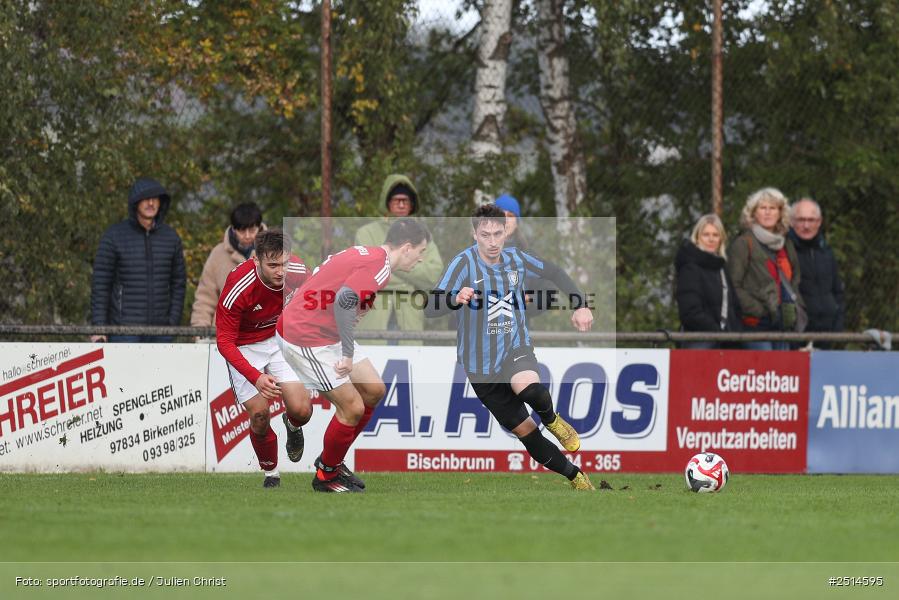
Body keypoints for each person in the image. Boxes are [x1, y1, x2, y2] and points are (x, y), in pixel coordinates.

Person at [425, 205, 596, 491]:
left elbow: (554, 272)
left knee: (528, 387)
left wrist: (580, 304)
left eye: (497, 233)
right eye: (485, 235)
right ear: (474, 234)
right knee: (526, 432)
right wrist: (455, 298)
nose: (492, 242)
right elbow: (431, 307)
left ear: (506, 231)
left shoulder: (516, 257)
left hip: (515, 346)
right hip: (480, 368)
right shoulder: (462, 263)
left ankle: (553, 420)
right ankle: (575, 476)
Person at [277, 218, 431, 493]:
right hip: (306, 335)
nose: (420, 260)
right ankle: (326, 476)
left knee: (373, 390)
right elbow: (344, 301)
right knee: (352, 408)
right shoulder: (379, 267)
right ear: (407, 248)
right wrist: (347, 354)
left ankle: (333, 463)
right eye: (421, 252)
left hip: (327, 331)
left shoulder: (370, 255)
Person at [215, 229, 312, 488]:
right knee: (259, 415)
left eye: (285, 263)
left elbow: (312, 304)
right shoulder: (239, 285)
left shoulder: (299, 272)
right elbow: (224, 341)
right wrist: (255, 377)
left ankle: (292, 427)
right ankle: (271, 474)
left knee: (302, 411)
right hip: (244, 346)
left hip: (278, 339)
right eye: (272, 265)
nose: (281, 271)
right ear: (256, 260)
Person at [90, 177, 186, 343]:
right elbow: (101, 284)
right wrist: (99, 327)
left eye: (155, 198)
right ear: (135, 203)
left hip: (162, 331)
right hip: (123, 331)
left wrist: (172, 322)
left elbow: (179, 282)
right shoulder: (114, 236)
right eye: (145, 199)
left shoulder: (171, 237)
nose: (151, 203)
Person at [354, 174, 443, 341]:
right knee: (370, 365)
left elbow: (433, 275)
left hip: (410, 315)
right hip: (373, 316)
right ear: (387, 202)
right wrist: (409, 272)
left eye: (406, 200)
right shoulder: (366, 233)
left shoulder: (423, 234)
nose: (401, 205)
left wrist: (390, 264)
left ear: (412, 204)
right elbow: (366, 272)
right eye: (396, 200)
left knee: (410, 365)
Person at [727, 188, 803, 350]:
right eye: (763, 208)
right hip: (755, 325)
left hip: (784, 324)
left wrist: (796, 309)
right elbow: (734, 285)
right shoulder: (743, 243)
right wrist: (760, 311)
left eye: (773, 208)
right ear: (753, 213)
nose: (768, 213)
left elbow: (794, 280)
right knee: (764, 371)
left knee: (782, 373)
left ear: (780, 213)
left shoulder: (787, 244)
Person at [191, 202, 264, 328]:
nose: (247, 236)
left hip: (265, 337)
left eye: (252, 230)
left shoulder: (275, 253)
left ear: (260, 228)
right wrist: (200, 331)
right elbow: (205, 297)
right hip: (224, 335)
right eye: (242, 231)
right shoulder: (217, 254)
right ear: (233, 229)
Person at [675, 214, 741, 348]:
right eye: (706, 234)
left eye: (715, 235)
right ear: (697, 237)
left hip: (726, 342)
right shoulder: (690, 268)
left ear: (721, 239)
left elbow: (733, 307)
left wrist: (733, 334)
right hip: (699, 340)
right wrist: (717, 332)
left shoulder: (722, 267)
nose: (711, 239)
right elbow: (690, 312)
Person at [788, 198, 844, 347]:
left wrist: (837, 322)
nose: (806, 225)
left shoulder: (826, 252)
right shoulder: (784, 251)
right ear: (792, 222)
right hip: (797, 334)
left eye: (811, 220)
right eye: (801, 220)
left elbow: (837, 290)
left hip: (827, 330)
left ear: (819, 222)